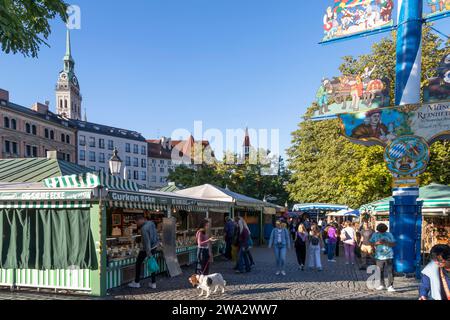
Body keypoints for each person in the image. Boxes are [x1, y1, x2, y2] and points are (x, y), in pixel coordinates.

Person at [128, 216, 161, 289]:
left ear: (140, 220)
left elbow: (146, 242)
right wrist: (158, 243)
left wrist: (148, 253)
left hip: (147, 249)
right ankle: (153, 283)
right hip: (154, 246)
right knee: (152, 263)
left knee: (138, 264)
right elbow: (156, 234)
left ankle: (137, 282)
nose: (137, 224)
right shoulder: (151, 223)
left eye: (137, 222)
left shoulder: (143, 229)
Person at [370, 223, 396, 292]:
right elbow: (371, 243)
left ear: (386, 230)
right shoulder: (375, 234)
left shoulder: (389, 234)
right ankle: (382, 284)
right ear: (377, 230)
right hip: (379, 256)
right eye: (380, 231)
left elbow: (394, 244)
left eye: (383, 231)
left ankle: (390, 286)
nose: (382, 233)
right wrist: (377, 243)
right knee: (379, 271)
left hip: (389, 256)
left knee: (390, 271)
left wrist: (386, 242)